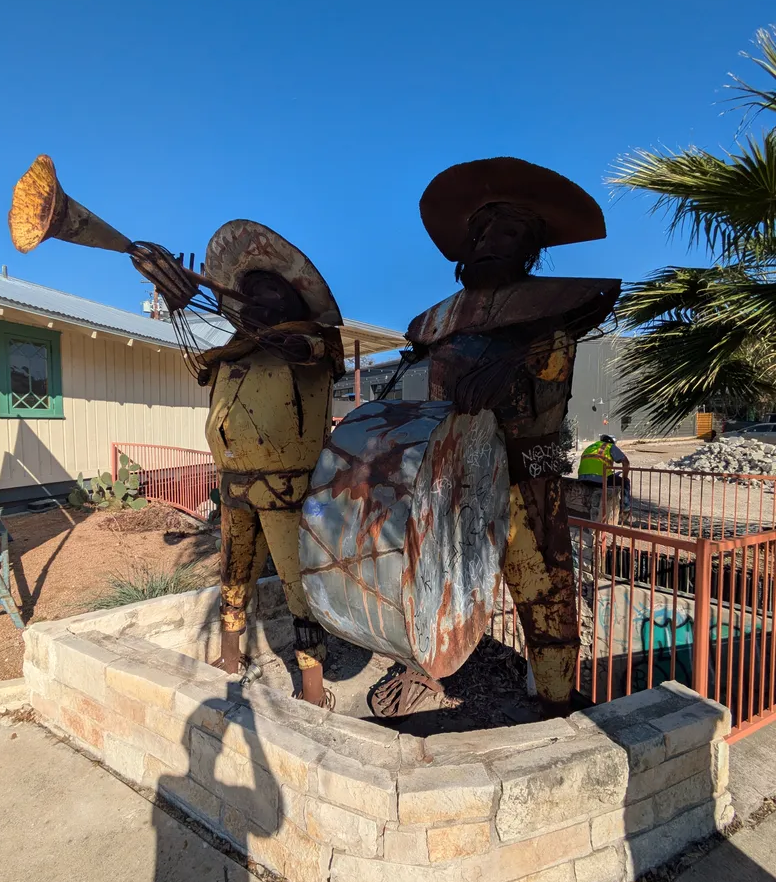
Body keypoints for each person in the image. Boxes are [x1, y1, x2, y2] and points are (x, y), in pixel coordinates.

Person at [371, 157, 621, 719]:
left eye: (509, 234)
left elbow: (559, 356)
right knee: (434, 580)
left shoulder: (555, 307)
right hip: (452, 481)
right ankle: (427, 665)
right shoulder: (437, 321)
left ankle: (555, 699)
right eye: (483, 233)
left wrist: (512, 364)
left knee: (545, 593)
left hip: (526, 480)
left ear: (529, 251)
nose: (491, 243)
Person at [131, 223, 344, 707]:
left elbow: (302, 349)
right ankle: (230, 657)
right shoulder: (234, 351)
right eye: (249, 292)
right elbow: (203, 361)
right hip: (234, 486)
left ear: (295, 300)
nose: (256, 300)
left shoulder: (315, 341)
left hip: (287, 489)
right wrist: (185, 304)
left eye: (270, 290)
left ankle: (313, 686)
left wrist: (207, 299)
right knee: (232, 575)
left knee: (297, 585)